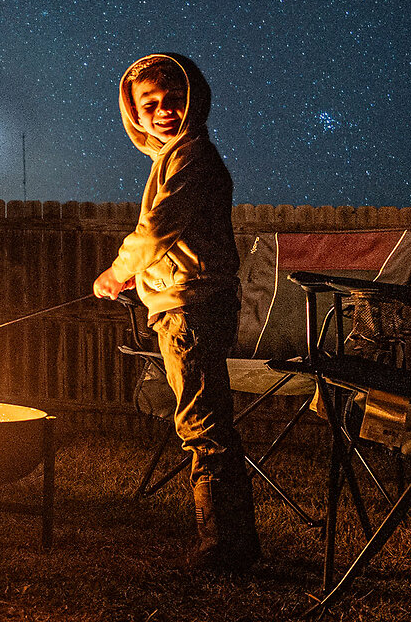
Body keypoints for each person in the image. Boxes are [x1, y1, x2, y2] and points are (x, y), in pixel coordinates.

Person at [93, 53, 260, 571]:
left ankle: (223, 548)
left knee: (201, 423)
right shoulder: (172, 156)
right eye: (150, 103)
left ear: (194, 100)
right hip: (182, 303)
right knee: (203, 420)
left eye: (173, 99)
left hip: (191, 306)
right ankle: (234, 543)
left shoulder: (191, 156)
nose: (163, 109)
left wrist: (116, 273)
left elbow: (157, 228)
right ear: (135, 114)